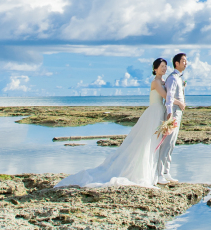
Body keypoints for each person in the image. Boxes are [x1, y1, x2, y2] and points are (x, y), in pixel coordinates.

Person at [54, 59, 168, 189]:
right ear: (155, 69)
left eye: (165, 66)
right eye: (162, 66)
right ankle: (145, 173)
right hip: (153, 113)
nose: (164, 68)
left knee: (154, 143)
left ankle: (155, 173)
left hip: (159, 112)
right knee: (146, 143)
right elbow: (165, 96)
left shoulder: (164, 82)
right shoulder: (156, 82)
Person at [157, 52, 187, 185]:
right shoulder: (173, 78)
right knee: (167, 143)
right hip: (173, 112)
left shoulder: (178, 78)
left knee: (171, 144)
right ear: (177, 63)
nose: (186, 63)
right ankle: (159, 174)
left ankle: (166, 172)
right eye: (184, 61)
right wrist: (169, 115)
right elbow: (168, 99)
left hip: (178, 112)